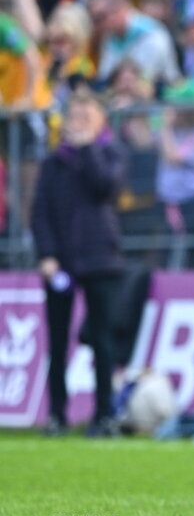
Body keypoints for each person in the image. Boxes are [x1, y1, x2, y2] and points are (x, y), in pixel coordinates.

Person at [31, 92, 125, 437]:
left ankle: (104, 415)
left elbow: (105, 188)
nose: (78, 122)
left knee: (102, 341)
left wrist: (87, 149)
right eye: (75, 116)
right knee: (56, 342)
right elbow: (40, 213)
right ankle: (57, 414)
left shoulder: (110, 154)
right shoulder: (53, 164)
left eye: (87, 116)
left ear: (100, 121)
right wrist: (47, 255)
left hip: (101, 259)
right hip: (63, 263)